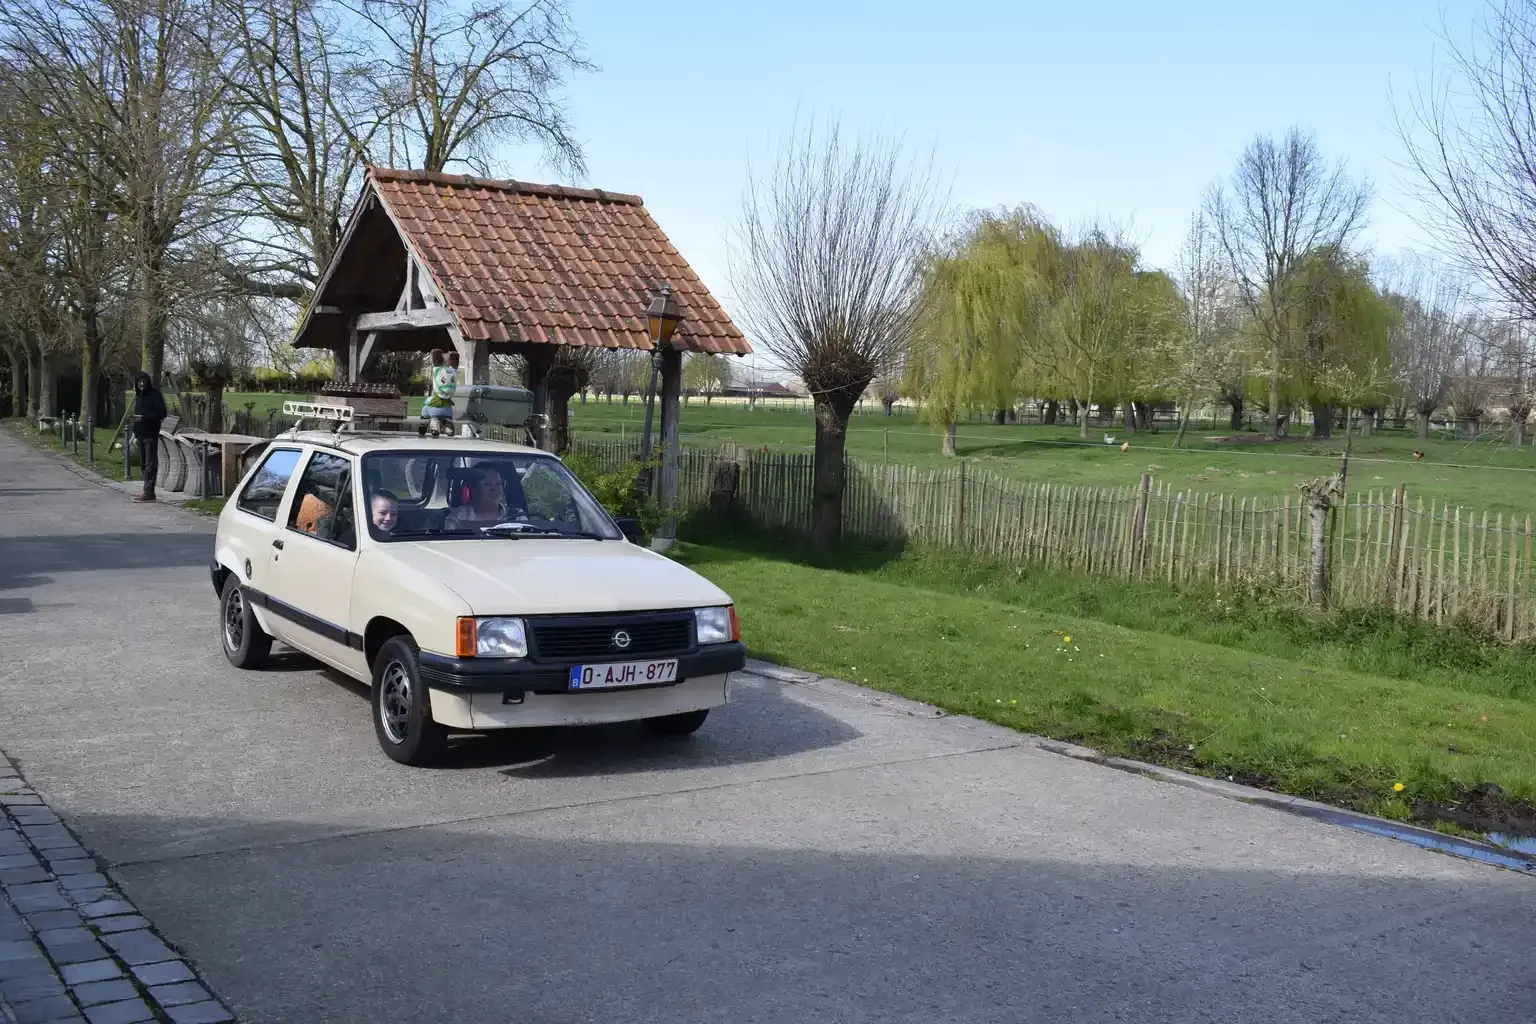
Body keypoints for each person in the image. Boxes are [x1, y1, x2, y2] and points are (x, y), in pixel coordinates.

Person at [130, 372, 167, 502]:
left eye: (143, 382)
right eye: (139, 382)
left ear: (147, 382)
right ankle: (146, 489)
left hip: (150, 433)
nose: (141, 384)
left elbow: (162, 413)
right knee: (143, 464)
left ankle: (149, 492)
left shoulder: (155, 395)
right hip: (140, 433)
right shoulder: (139, 395)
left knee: (150, 463)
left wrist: (144, 417)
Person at [421, 349, 458, 436]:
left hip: (436, 407)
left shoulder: (437, 369)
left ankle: (428, 425)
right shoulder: (453, 371)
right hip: (448, 409)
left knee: (425, 408)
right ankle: (447, 423)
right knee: (446, 414)